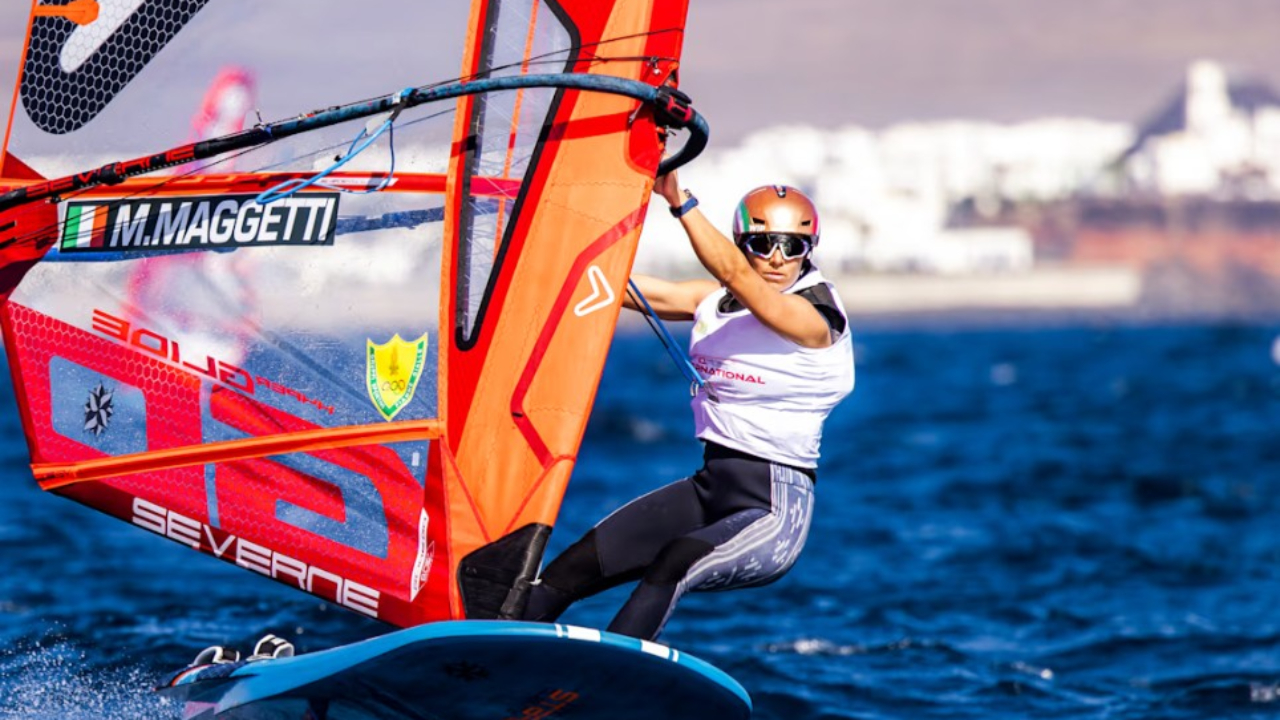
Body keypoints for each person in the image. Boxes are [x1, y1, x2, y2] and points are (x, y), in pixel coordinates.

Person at [520, 170, 854, 641]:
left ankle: (607, 680)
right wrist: (540, 253)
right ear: (744, 242)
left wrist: (679, 199)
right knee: (574, 565)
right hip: (707, 491)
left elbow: (734, 273)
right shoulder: (717, 301)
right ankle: (473, 660)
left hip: (774, 511)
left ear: (809, 250)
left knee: (675, 560)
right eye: (764, 244)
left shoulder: (815, 317)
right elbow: (623, 285)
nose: (778, 258)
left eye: (792, 246)